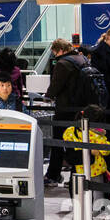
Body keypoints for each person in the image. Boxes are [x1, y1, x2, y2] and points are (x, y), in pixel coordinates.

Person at [44, 39, 88, 187]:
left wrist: (47, 97)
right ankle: (77, 175)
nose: (55, 56)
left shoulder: (63, 64)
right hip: (81, 108)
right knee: (77, 142)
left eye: (55, 53)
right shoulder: (82, 59)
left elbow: (55, 87)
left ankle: (53, 175)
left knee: (58, 142)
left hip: (65, 109)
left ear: (60, 50)